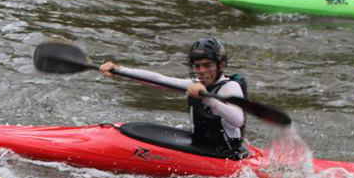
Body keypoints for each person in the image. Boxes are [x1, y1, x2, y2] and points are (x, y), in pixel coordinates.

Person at [100, 37, 248, 159]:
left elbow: (238, 120)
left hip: (227, 155)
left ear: (220, 65)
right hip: (202, 146)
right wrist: (119, 71)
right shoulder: (195, 85)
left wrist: (209, 99)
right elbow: (159, 80)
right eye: (197, 66)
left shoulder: (230, 87)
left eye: (207, 65)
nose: (201, 71)